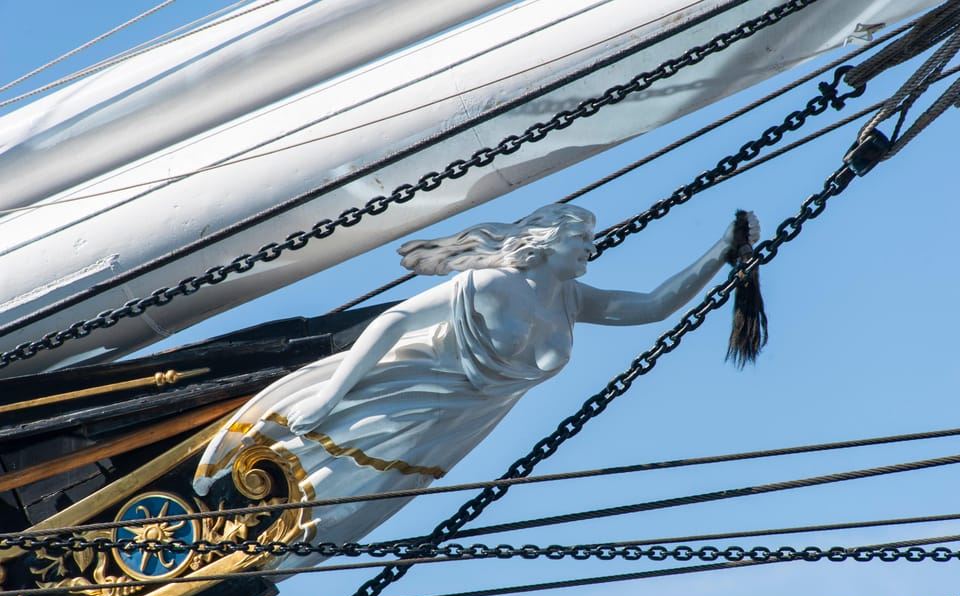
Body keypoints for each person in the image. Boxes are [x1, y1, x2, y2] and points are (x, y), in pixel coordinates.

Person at [193, 203, 758, 562]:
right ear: (547, 238)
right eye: (582, 236)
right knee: (299, 465)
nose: (592, 244)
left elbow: (655, 306)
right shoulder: (491, 284)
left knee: (341, 506)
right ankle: (221, 518)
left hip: (449, 427)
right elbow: (394, 321)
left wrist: (721, 254)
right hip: (397, 396)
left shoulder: (570, 299)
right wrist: (330, 393)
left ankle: (250, 548)